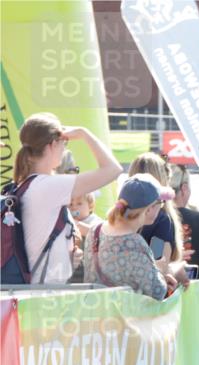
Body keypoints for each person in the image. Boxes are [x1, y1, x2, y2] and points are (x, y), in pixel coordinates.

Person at [6, 112, 121, 284]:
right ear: (52, 144)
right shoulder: (47, 186)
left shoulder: (27, 185)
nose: (64, 149)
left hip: (36, 290)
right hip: (43, 292)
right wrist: (84, 134)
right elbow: (113, 169)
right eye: (64, 143)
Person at [83, 174, 177, 300]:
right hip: (122, 317)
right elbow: (157, 292)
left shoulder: (95, 230)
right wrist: (158, 271)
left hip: (94, 312)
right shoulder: (134, 243)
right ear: (149, 209)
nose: (161, 207)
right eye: (160, 203)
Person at [129, 152, 189, 286]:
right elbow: (159, 265)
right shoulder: (161, 219)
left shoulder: (119, 215)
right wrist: (176, 268)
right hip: (146, 298)